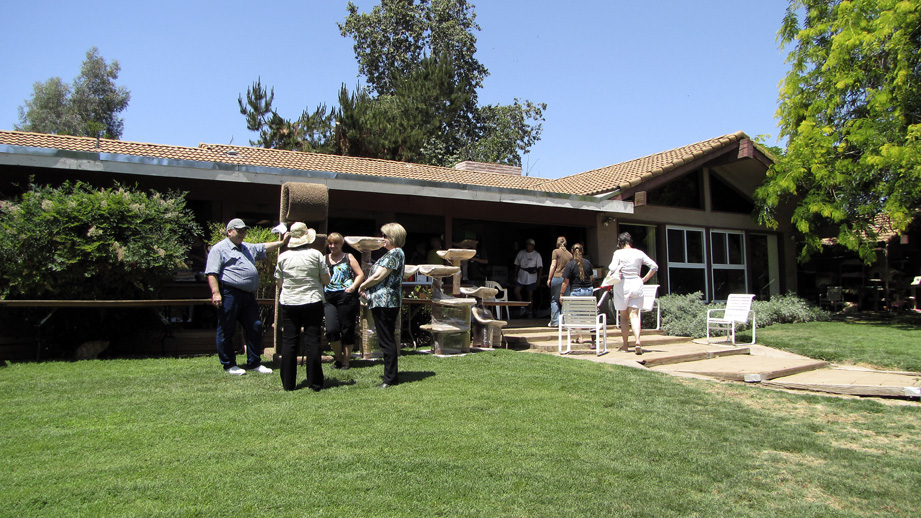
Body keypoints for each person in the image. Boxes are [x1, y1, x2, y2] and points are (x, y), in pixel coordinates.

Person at [206, 218, 289, 375]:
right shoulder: (219, 249)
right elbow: (212, 272)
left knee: (255, 326)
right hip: (229, 293)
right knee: (227, 329)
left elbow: (263, 247)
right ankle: (229, 364)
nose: (242, 234)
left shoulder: (246, 248)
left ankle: (254, 362)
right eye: (239, 231)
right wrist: (216, 293)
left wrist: (281, 243)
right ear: (229, 231)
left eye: (244, 231)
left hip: (248, 296)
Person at [275, 223, 330, 391]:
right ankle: (315, 382)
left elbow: (279, 282)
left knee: (289, 341)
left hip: (289, 302)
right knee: (312, 340)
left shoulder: (283, 257)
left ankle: (288, 383)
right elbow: (326, 280)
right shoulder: (316, 255)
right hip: (312, 301)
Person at [358, 223, 406, 388]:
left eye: (385, 236)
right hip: (382, 301)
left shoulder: (396, 253)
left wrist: (363, 285)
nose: (382, 239)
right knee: (386, 339)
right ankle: (391, 376)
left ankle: (390, 379)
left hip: (386, 302)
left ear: (394, 237)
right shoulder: (391, 254)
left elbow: (379, 276)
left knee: (386, 340)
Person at [609, 232, 658, 354]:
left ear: (620, 243)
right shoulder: (639, 253)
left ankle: (625, 346)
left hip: (623, 285)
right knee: (634, 315)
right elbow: (654, 266)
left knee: (624, 317)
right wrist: (644, 279)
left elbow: (612, 268)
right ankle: (637, 341)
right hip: (636, 283)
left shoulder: (618, 253)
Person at [324, 232, 365, 371]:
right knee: (331, 329)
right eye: (330, 243)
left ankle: (346, 361)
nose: (332, 246)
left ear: (341, 244)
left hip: (346, 296)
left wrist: (353, 287)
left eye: (335, 243)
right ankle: (339, 358)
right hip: (329, 298)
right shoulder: (324, 259)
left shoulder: (348, 257)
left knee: (347, 329)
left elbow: (360, 274)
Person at [560, 243, 596, 345]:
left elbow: (565, 282)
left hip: (576, 291)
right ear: (582, 251)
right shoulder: (587, 263)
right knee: (589, 313)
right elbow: (591, 278)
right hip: (588, 290)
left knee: (576, 315)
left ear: (572, 251)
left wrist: (561, 294)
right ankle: (593, 336)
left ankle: (580, 338)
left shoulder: (570, 265)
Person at [513, 238, 543, 318]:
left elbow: (540, 267)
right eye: (527, 244)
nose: (528, 246)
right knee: (516, 291)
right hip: (521, 274)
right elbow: (517, 264)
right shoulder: (521, 253)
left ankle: (530, 311)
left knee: (530, 295)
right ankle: (522, 306)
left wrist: (538, 279)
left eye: (530, 245)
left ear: (533, 246)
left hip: (531, 277)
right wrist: (515, 275)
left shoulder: (536, 255)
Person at [546, 236, 573, 327]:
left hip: (557, 277)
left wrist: (549, 278)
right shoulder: (570, 254)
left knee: (555, 300)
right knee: (565, 300)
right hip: (566, 279)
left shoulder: (555, 252)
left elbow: (553, 265)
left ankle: (555, 321)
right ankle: (564, 321)